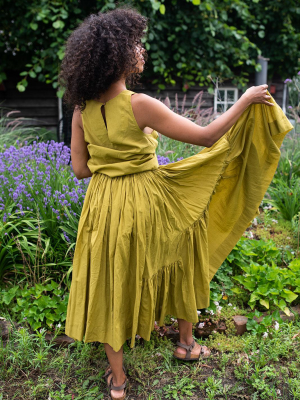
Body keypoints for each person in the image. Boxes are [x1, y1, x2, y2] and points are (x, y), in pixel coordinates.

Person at [58, 5, 293, 400]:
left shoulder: (81, 109)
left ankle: (117, 382)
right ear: (118, 56)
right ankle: (186, 344)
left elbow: (80, 170)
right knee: (183, 250)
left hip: (102, 204)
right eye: (135, 44)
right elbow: (205, 137)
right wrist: (247, 99)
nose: (141, 51)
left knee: (110, 279)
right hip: (148, 197)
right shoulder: (139, 104)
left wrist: (112, 161)